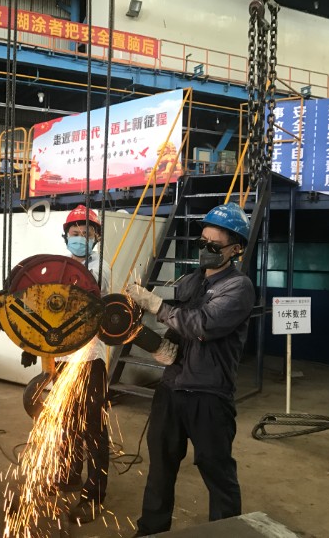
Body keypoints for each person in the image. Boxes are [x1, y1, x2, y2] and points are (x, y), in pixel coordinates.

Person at [125, 203, 256, 536]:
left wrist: (156, 305)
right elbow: (178, 324)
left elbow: (202, 325)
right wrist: (163, 346)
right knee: (160, 469)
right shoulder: (191, 280)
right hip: (171, 389)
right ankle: (151, 531)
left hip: (208, 395)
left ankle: (226, 532)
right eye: (202, 243)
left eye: (214, 246)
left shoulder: (238, 287)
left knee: (217, 471)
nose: (206, 250)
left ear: (235, 249)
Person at [57, 205, 111, 524]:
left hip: (90, 359)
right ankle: (70, 474)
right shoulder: (59, 265)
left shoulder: (99, 267)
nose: (79, 238)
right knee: (67, 423)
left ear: (96, 237)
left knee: (93, 428)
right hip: (64, 358)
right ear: (65, 236)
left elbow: (75, 301)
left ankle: (95, 495)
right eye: (74, 233)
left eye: (86, 233)